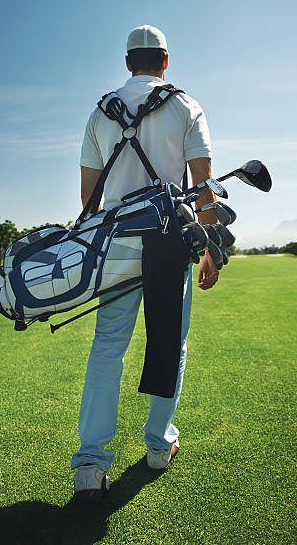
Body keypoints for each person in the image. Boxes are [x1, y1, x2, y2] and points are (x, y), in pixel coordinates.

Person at [71, 25, 219, 501]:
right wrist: (212, 247)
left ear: (128, 61)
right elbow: (203, 191)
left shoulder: (100, 111)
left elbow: (87, 200)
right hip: (169, 243)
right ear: (165, 61)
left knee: (107, 348)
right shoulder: (185, 105)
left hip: (114, 244)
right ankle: (159, 446)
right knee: (168, 343)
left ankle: (90, 465)